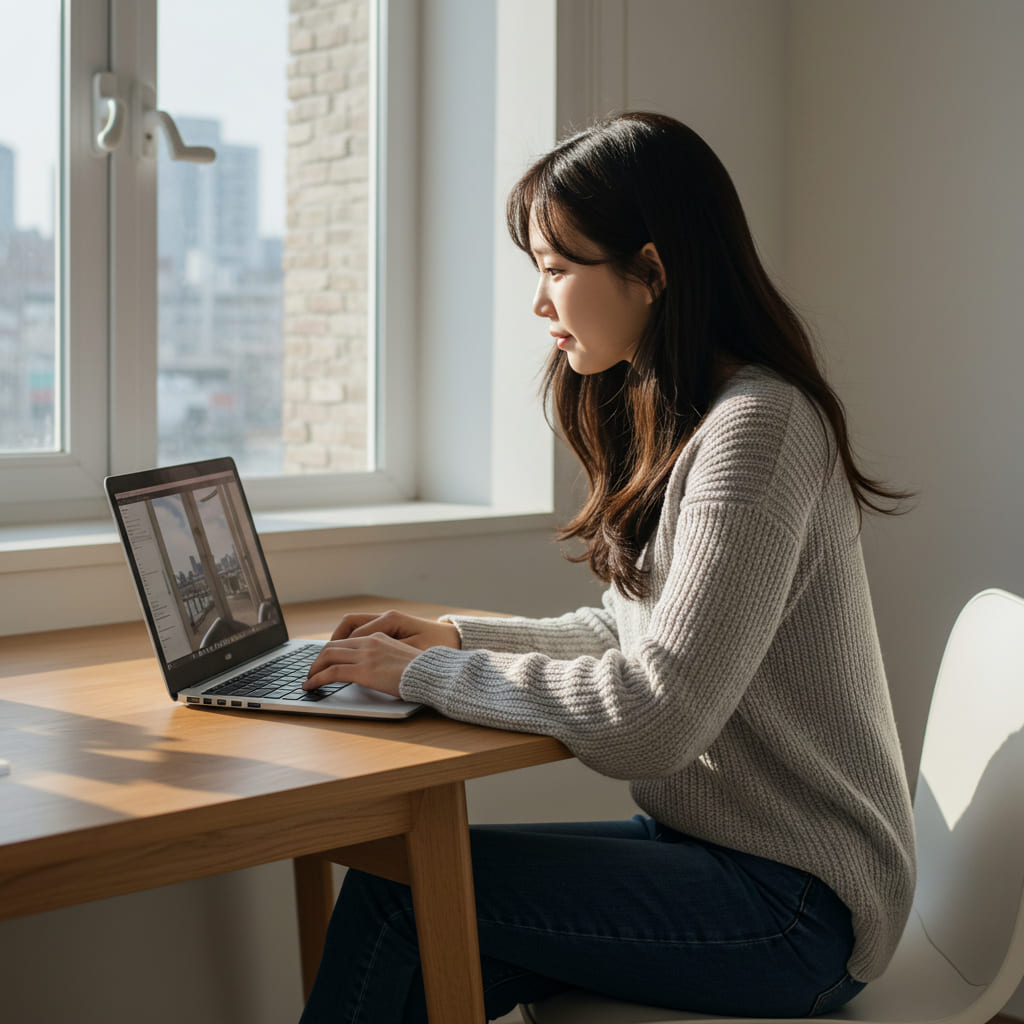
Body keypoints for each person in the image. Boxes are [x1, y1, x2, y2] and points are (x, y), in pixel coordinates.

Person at [297, 112, 916, 1023]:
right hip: (715, 856)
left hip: (795, 906)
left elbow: (654, 719)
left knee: (399, 896)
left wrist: (430, 673)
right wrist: (457, 634)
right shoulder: (692, 413)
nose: (540, 304)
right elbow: (625, 634)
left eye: (556, 269)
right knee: (416, 948)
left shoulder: (758, 429)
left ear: (653, 272)